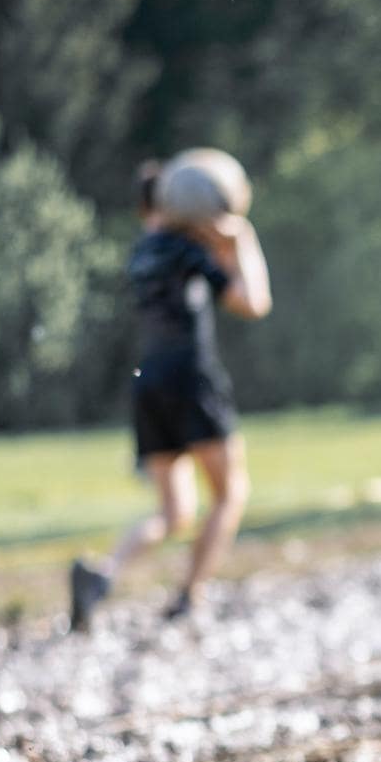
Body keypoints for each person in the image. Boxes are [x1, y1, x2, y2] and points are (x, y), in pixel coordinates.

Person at [69, 159, 272, 632]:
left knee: (174, 511)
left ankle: (103, 575)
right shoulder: (188, 250)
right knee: (229, 493)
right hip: (192, 378)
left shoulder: (142, 252)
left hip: (148, 382)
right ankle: (188, 595)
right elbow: (253, 303)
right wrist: (242, 240)